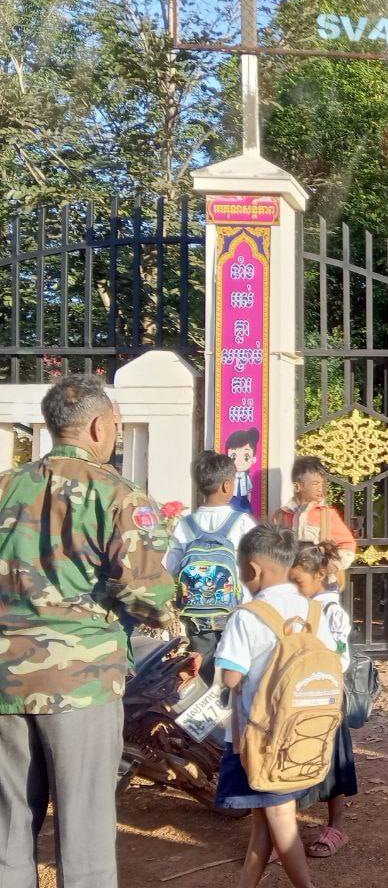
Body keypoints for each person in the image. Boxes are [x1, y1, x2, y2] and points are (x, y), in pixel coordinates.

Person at [0, 375, 176, 888]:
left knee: (8, 828)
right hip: (82, 681)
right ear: (100, 426)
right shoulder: (118, 495)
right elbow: (147, 594)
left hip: (5, 681)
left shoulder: (5, 486)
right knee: (85, 831)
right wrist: (166, 612)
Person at [214, 524, 330, 888]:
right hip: (304, 733)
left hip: (260, 738)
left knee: (281, 822)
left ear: (252, 570)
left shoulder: (248, 615)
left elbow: (230, 678)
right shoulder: (313, 610)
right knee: (263, 823)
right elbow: (334, 662)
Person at [164, 450, 258, 681]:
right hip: (236, 613)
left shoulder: (185, 525)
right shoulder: (242, 523)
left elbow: (170, 566)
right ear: (227, 485)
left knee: (202, 674)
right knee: (235, 675)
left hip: (197, 618)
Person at [291, 542, 356, 859]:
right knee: (293, 756)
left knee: (332, 759)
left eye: (298, 581)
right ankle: (284, 830)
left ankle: (336, 826)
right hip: (296, 696)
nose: (293, 587)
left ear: (319, 575)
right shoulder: (292, 607)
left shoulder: (331, 612)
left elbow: (340, 659)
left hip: (324, 696)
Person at [270, 456, 358, 578]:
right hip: (289, 581)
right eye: (315, 484)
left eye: (322, 483)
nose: (320, 488)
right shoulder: (280, 515)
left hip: (319, 582)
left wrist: (333, 566)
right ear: (298, 486)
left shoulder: (327, 515)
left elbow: (347, 544)